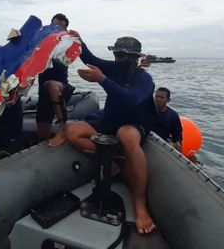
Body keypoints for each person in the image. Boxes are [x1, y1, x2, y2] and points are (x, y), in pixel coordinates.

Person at [65, 36, 157, 234]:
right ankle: (115, 161)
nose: (116, 58)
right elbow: (91, 59)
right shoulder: (114, 68)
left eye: (121, 54)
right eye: (115, 53)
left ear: (133, 57)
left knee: (127, 135)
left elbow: (130, 99)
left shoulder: (144, 79)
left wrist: (102, 79)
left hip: (133, 124)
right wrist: (78, 40)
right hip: (109, 121)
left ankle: (139, 203)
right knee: (72, 131)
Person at [37, 13, 75, 147]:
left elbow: (62, 65)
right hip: (43, 92)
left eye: (59, 28)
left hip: (60, 87)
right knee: (42, 134)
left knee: (51, 85)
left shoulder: (66, 46)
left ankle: (63, 128)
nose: (56, 30)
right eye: (54, 26)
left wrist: (50, 57)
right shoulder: (40, 43)